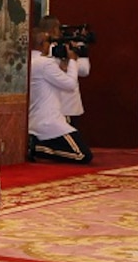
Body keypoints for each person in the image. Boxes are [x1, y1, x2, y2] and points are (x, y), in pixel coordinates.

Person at [27, 28, 93, 163]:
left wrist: (64, 64)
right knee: (82, 155)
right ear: (41, 44)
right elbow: (70, 85)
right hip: (50, 122)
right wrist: (73, 60)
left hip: (35, 120)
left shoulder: (29, 62)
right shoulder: (45, 63)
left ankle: (34, 145)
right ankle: (35, 148)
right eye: (48, 42)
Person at [38, 15, 91, 128]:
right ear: (54, 29)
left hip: (70, 106)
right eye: (58, 28)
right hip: (55, 106)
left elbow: (84, 71)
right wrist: (70, 61)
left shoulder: (67, 46)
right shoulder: (43, 51)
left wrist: (77, 51)